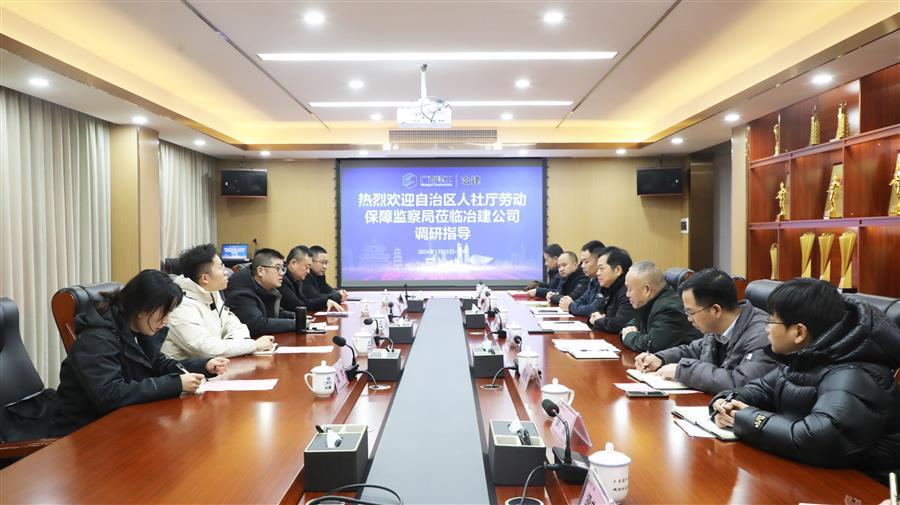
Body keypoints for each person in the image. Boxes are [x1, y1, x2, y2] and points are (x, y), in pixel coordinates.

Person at [710, 278, 900, 476]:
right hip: (813, 473)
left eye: (771, 321)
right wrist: (727, 402)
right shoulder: (805, 356)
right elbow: (761, 390)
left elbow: (817, 439)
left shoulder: (855, 374)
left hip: (865, 484)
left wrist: (747, 418)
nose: (766, 328)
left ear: (799, 332)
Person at [52, 270, 228, 436]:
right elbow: (109, 394)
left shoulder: (136, 328)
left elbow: (157, 364)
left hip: (122, 420)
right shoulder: (97, 338)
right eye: (164, 313)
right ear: (142, 309)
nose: (167, 321)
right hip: (86, 428)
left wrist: (203, 365)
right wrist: (176, 384)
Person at [634, 268, 777, 393]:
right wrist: (660, 358)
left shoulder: (763, 335)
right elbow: (694, 349)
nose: (689, 319)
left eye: (691, 312)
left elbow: (741, 382)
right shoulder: (716, 328)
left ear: (715, 310)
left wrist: (682, 371)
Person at [162, 244, 274, 360]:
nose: (226, 272)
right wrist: (252, 345)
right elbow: (206, 350)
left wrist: (229, 347)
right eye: (221, 268)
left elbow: (236, 325)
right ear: (205, 278)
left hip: (219, 364)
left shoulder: (211, 292)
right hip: (188, 369)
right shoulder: (179, 305)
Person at [620, 261, 700, 352]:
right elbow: (629, 326)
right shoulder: (647, 303)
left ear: (647, 289)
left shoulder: (669, 310)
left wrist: (628, 336)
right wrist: (629, 333)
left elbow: (652, 345)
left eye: (630, 289)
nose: (627, 294)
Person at [224, 248, 296, 336]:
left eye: (282, 269)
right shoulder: (241, 292)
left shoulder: (263, 287)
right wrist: (297, 323)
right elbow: (258, 324)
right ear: (260, 271)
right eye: (277, 268)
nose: (281, 273)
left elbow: (274, 312)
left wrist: (299, 317)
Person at [280, 245, 344, 313]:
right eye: (306, 267)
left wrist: (327, 301)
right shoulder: (282, 279)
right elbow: (299, 306)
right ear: (293, 263)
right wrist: (328, 300)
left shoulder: (297, 279)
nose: (308, 271)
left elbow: (305, 302)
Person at [588, 247, 636, 334]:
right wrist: (596, 318)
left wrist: (599, 321)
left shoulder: (627, 291)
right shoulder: (607, 287)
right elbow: (595, 313)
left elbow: (621, 324)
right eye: (598, 269)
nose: (597, 273)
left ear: (618, 270)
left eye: (601, 268)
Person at [559, 240, 606, 316]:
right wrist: (569, 304)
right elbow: (583, 300)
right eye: (582, 262)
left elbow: (593, 309)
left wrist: (570, 306)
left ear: (599, 261)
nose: (582, 266)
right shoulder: (592, 279)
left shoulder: (605, 281)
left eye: (586, 262)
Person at [303, 245, 348, 310]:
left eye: (326, 263)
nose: (325, 267)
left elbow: (326, 289)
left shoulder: (319, 274)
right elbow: (315, 297)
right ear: (311, 261)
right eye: (322, 262)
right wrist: (338, 296)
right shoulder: (305, 275)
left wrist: (339, 293)